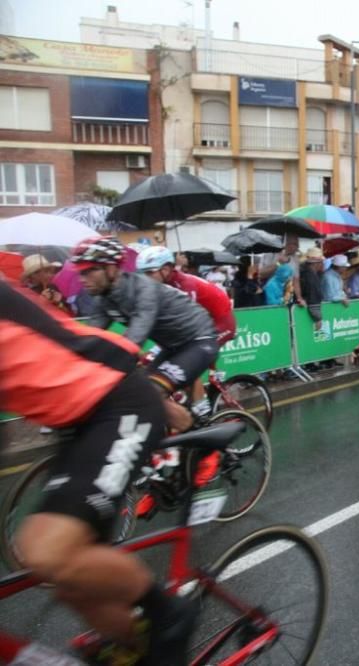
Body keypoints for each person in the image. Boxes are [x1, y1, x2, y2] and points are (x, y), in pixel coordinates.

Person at [0, 278, 195, 663]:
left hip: (117, 404)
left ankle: (170, 616)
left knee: (46, 551)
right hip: (79, 420)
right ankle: (133, 647)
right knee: (73, 580)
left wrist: (151, 392)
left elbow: (76, 338)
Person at [73, 237, 219, 434]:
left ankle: (204, 447)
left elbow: (136, 336)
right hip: (172, 346)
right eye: (81, 272)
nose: (83, 279)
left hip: (198, 340)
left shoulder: (144, 288)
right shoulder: (104, 299)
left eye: (90, 270)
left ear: (111, 269)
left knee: (150, 392)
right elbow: (90, 339)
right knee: (133, 395)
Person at [137, 245, 237, 420]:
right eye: (142, 274)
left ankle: (202, 409)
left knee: (188, 358)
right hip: (203, 322)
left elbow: (186, 326)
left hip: (221, 322)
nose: (145, 279)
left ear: (166, 270)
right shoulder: (160, 285)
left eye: (149, 273)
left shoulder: (184, 284)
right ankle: (192, 400)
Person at [300, 247, 327, 329]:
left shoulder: (309, 273)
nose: (323, 264)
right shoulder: (310, 277)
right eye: (322, 262)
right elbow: (312, 298)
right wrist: (318, 318)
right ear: (316, 263)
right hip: (308, 313)